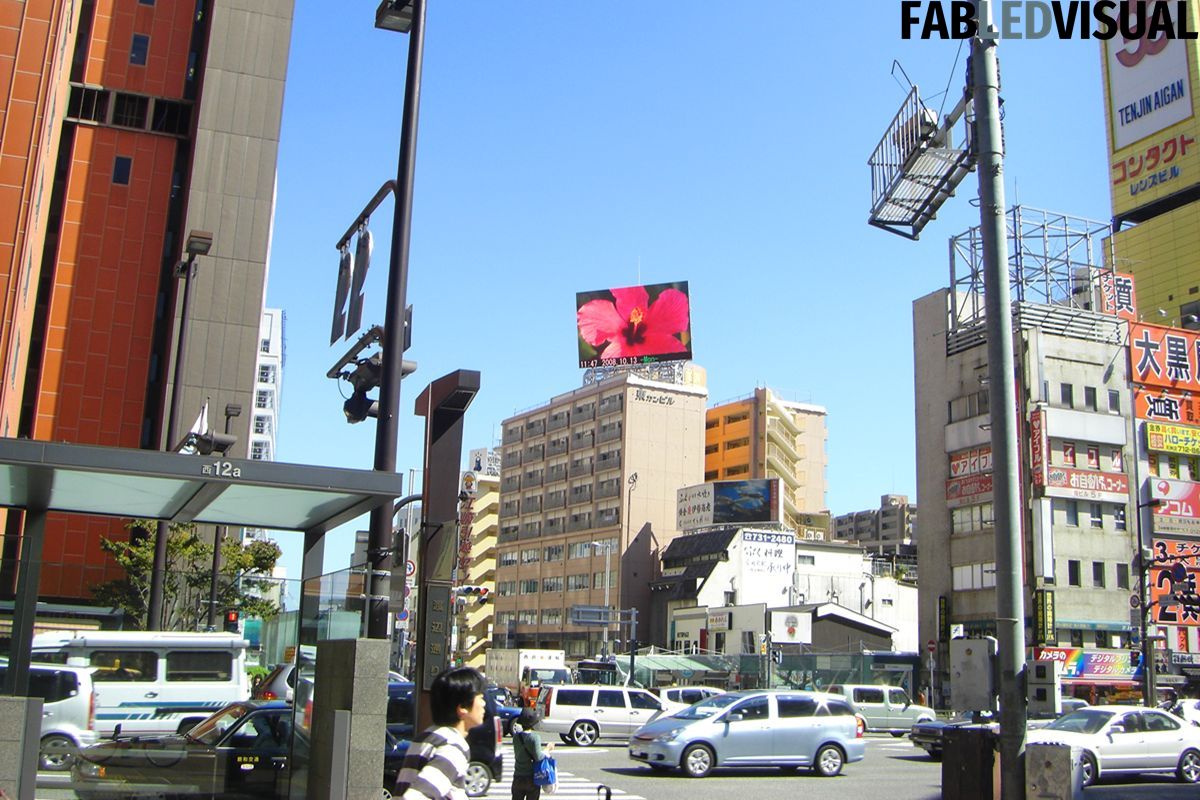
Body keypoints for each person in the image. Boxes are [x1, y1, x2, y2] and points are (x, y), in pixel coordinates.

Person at [393, 666, 487, 800]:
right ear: (462, 707)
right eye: (480, 698)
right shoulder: (453, 747)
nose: (484, 704)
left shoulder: (425, 737)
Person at [510, 707, 553, 800]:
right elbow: (538, 757)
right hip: (531, 777)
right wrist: (547, 749)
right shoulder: (534, 738)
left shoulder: (516, 737)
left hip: (518, 776)